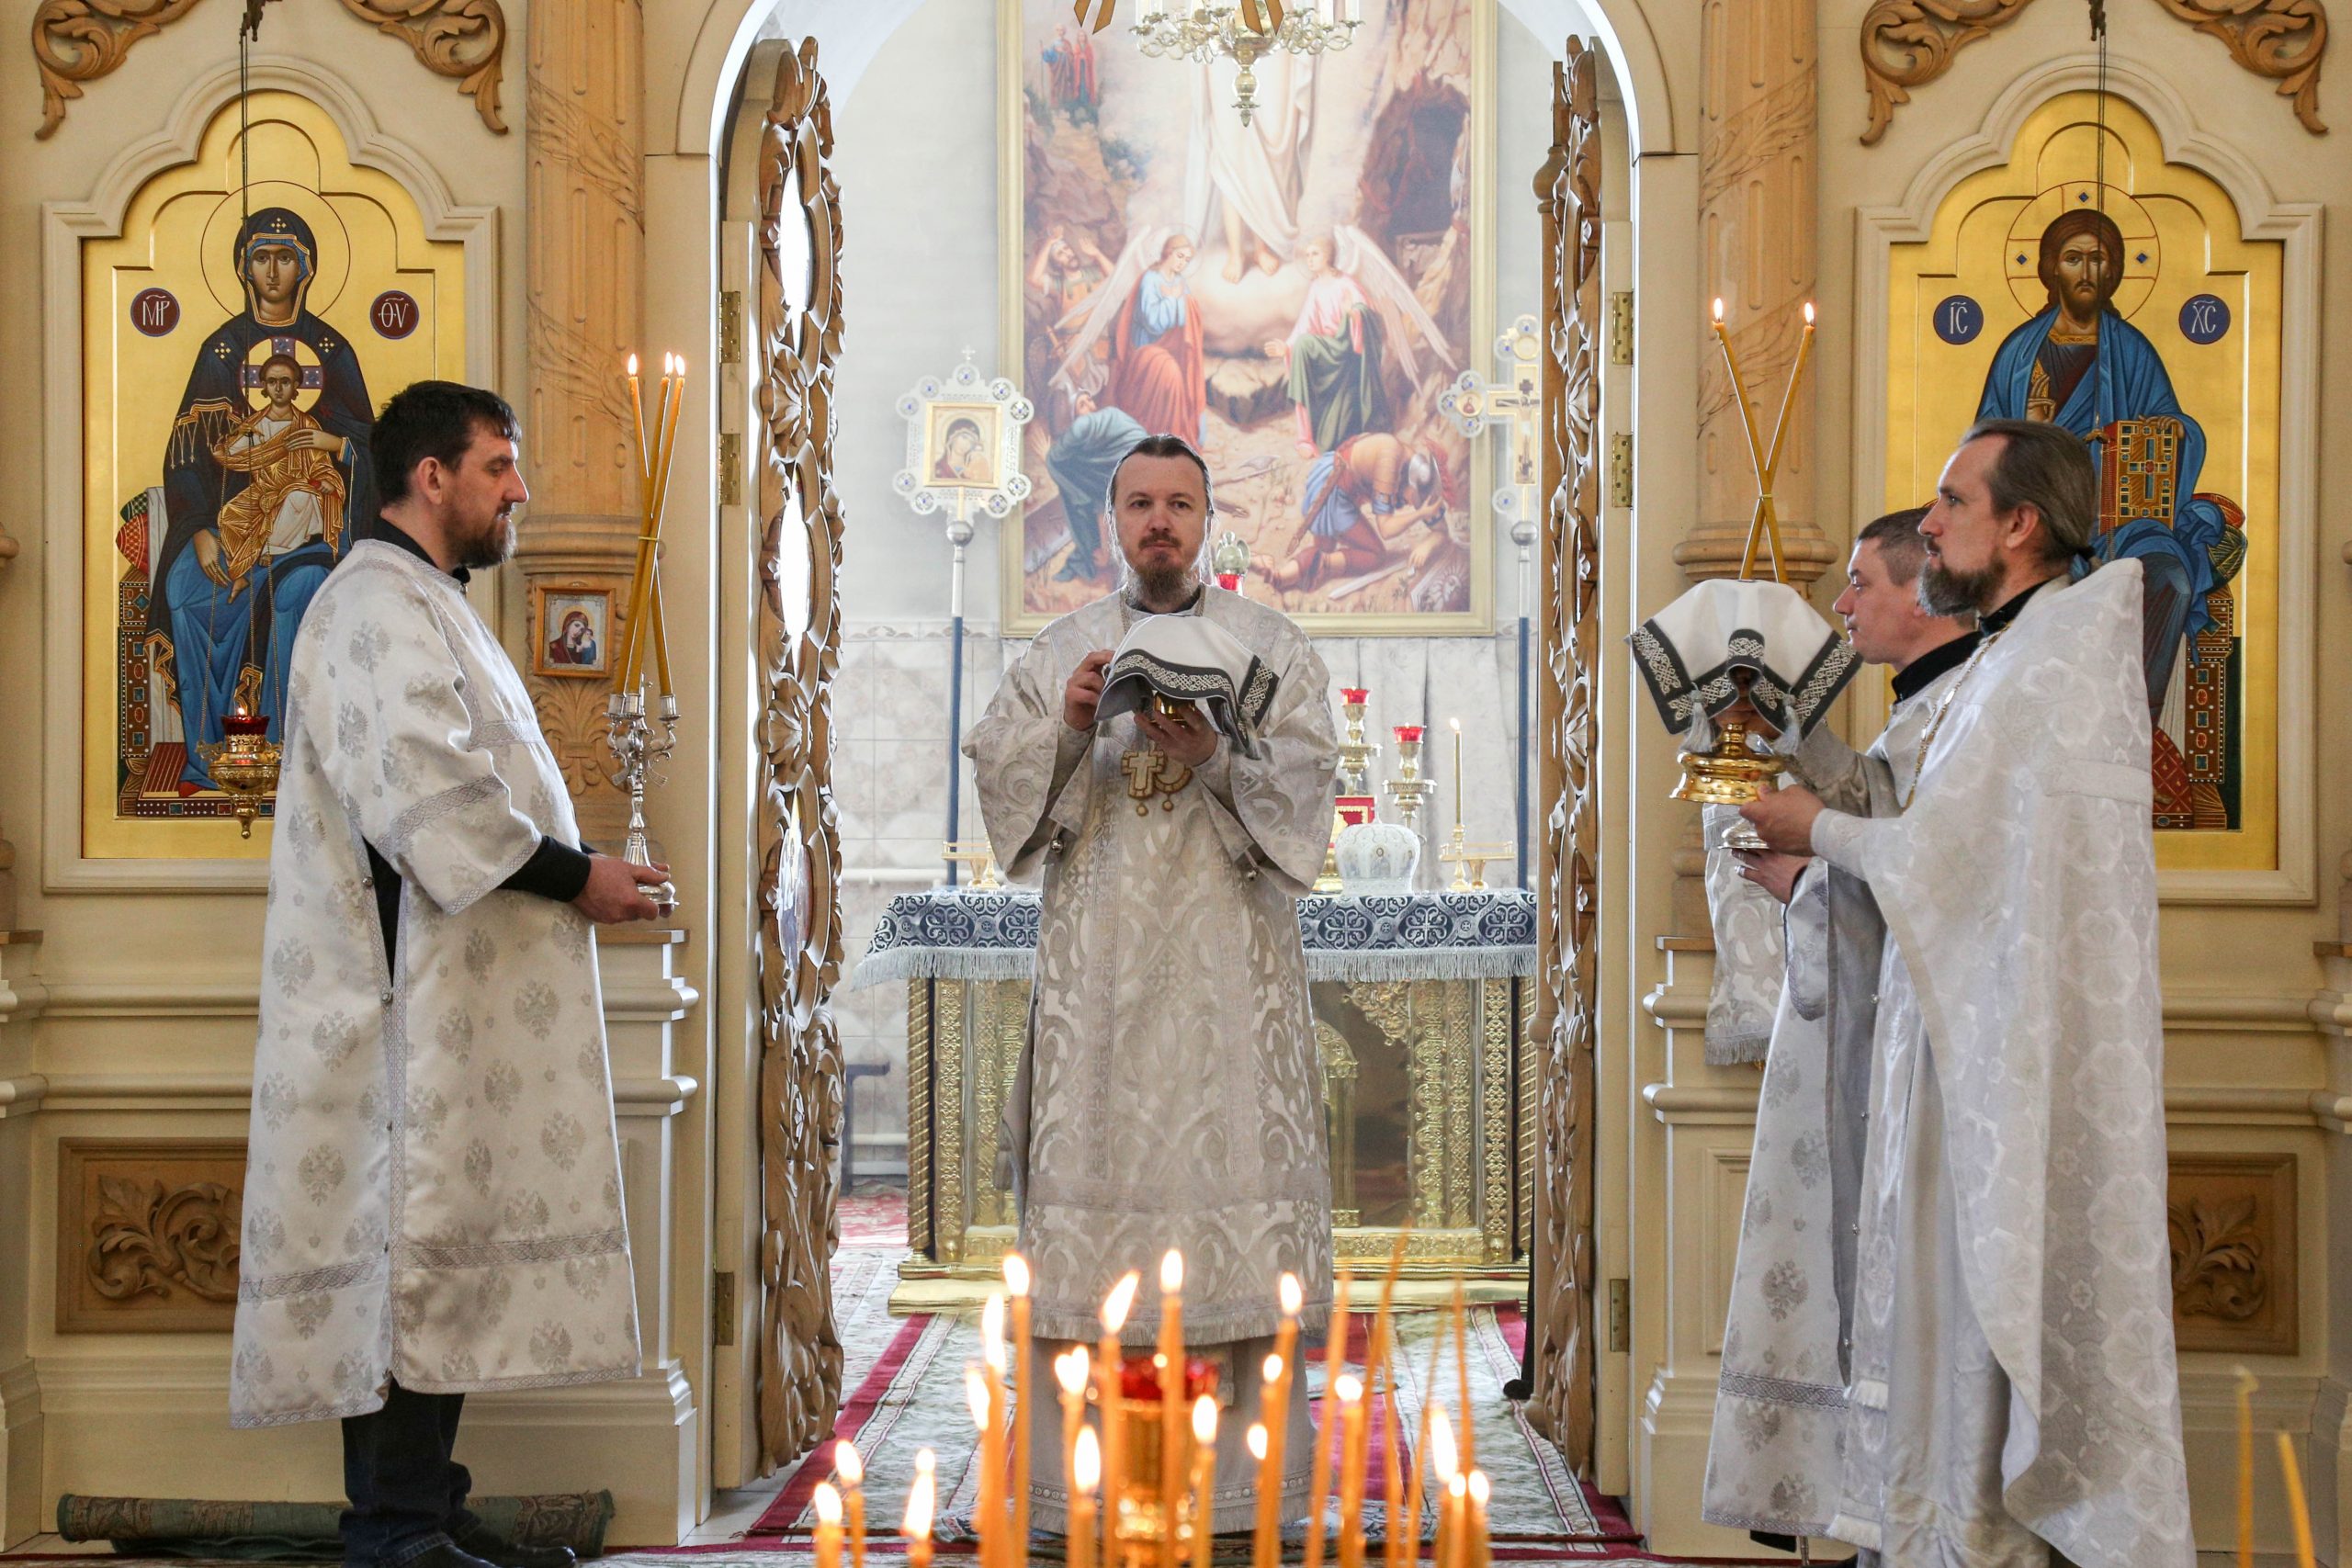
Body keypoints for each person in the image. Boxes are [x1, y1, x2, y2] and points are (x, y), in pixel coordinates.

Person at [231, 380, 672, 1568]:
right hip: (393, 1008)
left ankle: (425, 1499)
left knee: (439, 1244)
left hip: (448, 1006)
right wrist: (583, 876)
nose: (517, 490)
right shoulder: (372, 604)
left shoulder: (426, 600)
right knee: (404, 1247)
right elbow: (433, 795)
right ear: (433, 477)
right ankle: (393, 1524)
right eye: (499, 466)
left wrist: (582, 868)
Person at [1741, 419, 2191, 1566]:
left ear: (2019, 522)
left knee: (1974, 1306)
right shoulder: (2005, 654)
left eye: (1950, 501)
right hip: (1954, 1041)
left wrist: (1817, 830)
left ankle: (1977, 1539)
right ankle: (1931, 1533)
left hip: (2004, 1064)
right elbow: (1931, 813)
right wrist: (1800, 745)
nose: (1929, 521)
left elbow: (1948, 857)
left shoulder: (2056, 654)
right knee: (1936, 1313)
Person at [965, 434, 1339, 1535]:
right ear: (1110, 522)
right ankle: (1085, 1490)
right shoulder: (1064, 649)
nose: (1159, 523)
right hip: (1103, 998)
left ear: (1210, 521)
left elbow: (1310, 793)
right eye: (1140, 504)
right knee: (1093, 1214)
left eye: (1180, 503)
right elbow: (998, 778)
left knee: (1231, 1208)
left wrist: (1217, 752)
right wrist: (1074, 726)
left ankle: (1236, 1499)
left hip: (1232, 986)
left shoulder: (1268, 644)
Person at [1697, 507, 1978, 1550]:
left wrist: (1805, 877)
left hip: (1913, 1061)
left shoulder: (1968, 712)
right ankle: (1856, 1508)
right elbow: (1880, 813)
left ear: (1920, 592)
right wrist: (1786, 738)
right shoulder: (1922, 710)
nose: (1842, 603)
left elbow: (1935, 886)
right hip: (1872, 1042)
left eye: (1860, 582)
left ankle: (1886, 1512)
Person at [1975, 209, 2235, 729]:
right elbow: (1980, 451)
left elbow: (2175, 424)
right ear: (2052, 270)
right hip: (2038, 525)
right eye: (2073, 259)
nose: (2087, 271)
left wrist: (2171, 430)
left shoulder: (2133, 350)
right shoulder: (2020, 356)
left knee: (2172, 579)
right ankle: (2029, 730)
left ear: (2114, 271)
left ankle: (2134, 726)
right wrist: (2031, 432)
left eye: (2098, 259)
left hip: (2126, 521)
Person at [151, 207, 376, 791]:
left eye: (285, 257)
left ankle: (289, 759)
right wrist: (199, 526)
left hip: (313, 532)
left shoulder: (332, 350)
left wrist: (332, 442)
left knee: (296, 595)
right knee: (185, 590)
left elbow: (373, 449)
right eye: (260, 257)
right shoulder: (221, 352)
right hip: (237, 523)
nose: (272, 271)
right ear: (243, 267)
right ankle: (210, 754)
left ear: (307, 266)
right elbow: (188, 455)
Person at [1261, 433, 1442, 593]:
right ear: (1412, 481)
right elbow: (1386, 529)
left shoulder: (1404, 456)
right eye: (1414, 497)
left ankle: (1280, 577)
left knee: (1323, 549)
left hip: (1331, 480)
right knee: (1375, 555)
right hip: (1333, 492)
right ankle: (1311, 566)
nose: (1410, 503)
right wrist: (1421, 514)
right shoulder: (1390, 461)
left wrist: (1435, 532)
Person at [1266, 236, 1390, 457]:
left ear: (1328, 256)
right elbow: (1306, 323)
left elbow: (1367, 313)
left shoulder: (1347, 284)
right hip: (1326, 351)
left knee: (1304, 346)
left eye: (1315, 254)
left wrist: (1353, 313)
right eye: (1307, 255)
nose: (1310, 260)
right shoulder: (1316, 287)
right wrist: (1286, 347)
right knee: (1301, 347)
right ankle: (1305, 437)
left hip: (1345, 351)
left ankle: (1310, 437)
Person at [1107, 235, 1206, 446]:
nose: (1182, 262)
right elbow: (1153, 322)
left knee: (1182, 374)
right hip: (1145, 351)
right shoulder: (1150, 279)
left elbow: (1186, 319)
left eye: (1186, 260)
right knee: (1172, 375)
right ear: (1167, 252)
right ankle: (1160, 434)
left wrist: (1180, 302)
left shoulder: (1180, 282)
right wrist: (1172, 300)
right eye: (1180, 256)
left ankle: (1171, 436)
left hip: (1170, 350)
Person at [1043, 392, 1147, 582]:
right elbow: (1102, 508)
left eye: (1088, 399)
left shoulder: (1085, 424)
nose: (1089, 404)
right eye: (1081, 404)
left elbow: (1055, 458)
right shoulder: (1110, 419)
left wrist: (1047, 456)